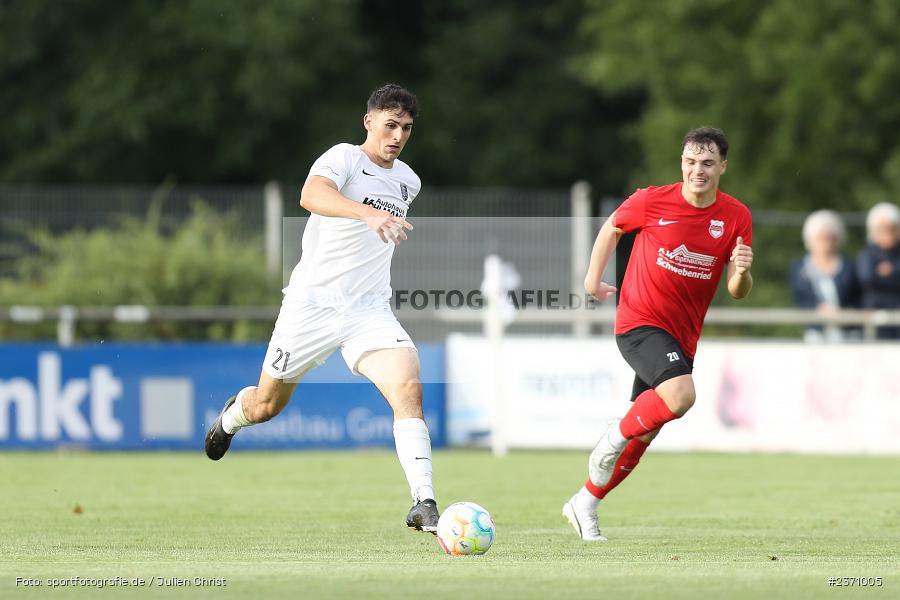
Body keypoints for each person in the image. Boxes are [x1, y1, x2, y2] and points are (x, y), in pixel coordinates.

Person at [205, 84, 441, 533]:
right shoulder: (343, 159)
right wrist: (367, 214)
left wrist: (375, 218)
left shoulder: (409, 181)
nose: (397, 136)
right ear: (368, 122)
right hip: (311, 307)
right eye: (390, 125)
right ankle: (231, 417)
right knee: (265, 407)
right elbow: (311, 196)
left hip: (369, 312)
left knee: (409, 388)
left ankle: (423, 502)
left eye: (406, 128)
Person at [562, 127, 754, 541]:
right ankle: (614, 434)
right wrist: (592, 280)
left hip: (682, 336)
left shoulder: (736, 216)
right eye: (690, 161)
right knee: (681, 397)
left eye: (707, 163)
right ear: (681, 162)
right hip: (639, 321)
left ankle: (585, 502)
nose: (697, 170)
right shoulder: (652, 200)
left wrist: (741, 270)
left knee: (646, 430)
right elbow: (612, 227)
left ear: (723, 166)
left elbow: (737, 292)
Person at [788, 209, 861, 342]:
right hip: (816, 334)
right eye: (820, 238)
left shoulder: (850, 267)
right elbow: (800, 300)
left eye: (829, 238)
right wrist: (817, 310)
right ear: (810, 240)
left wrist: (846, 314)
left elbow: (859, 299)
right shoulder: (799, 268)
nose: (826, 244)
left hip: (849, 334)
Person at [856, 202, 900, 339]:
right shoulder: (867, 254)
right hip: (875, 317)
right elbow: (867, 278)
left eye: (892, 228)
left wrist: (890, 271)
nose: (888, 233)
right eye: (883, 228)